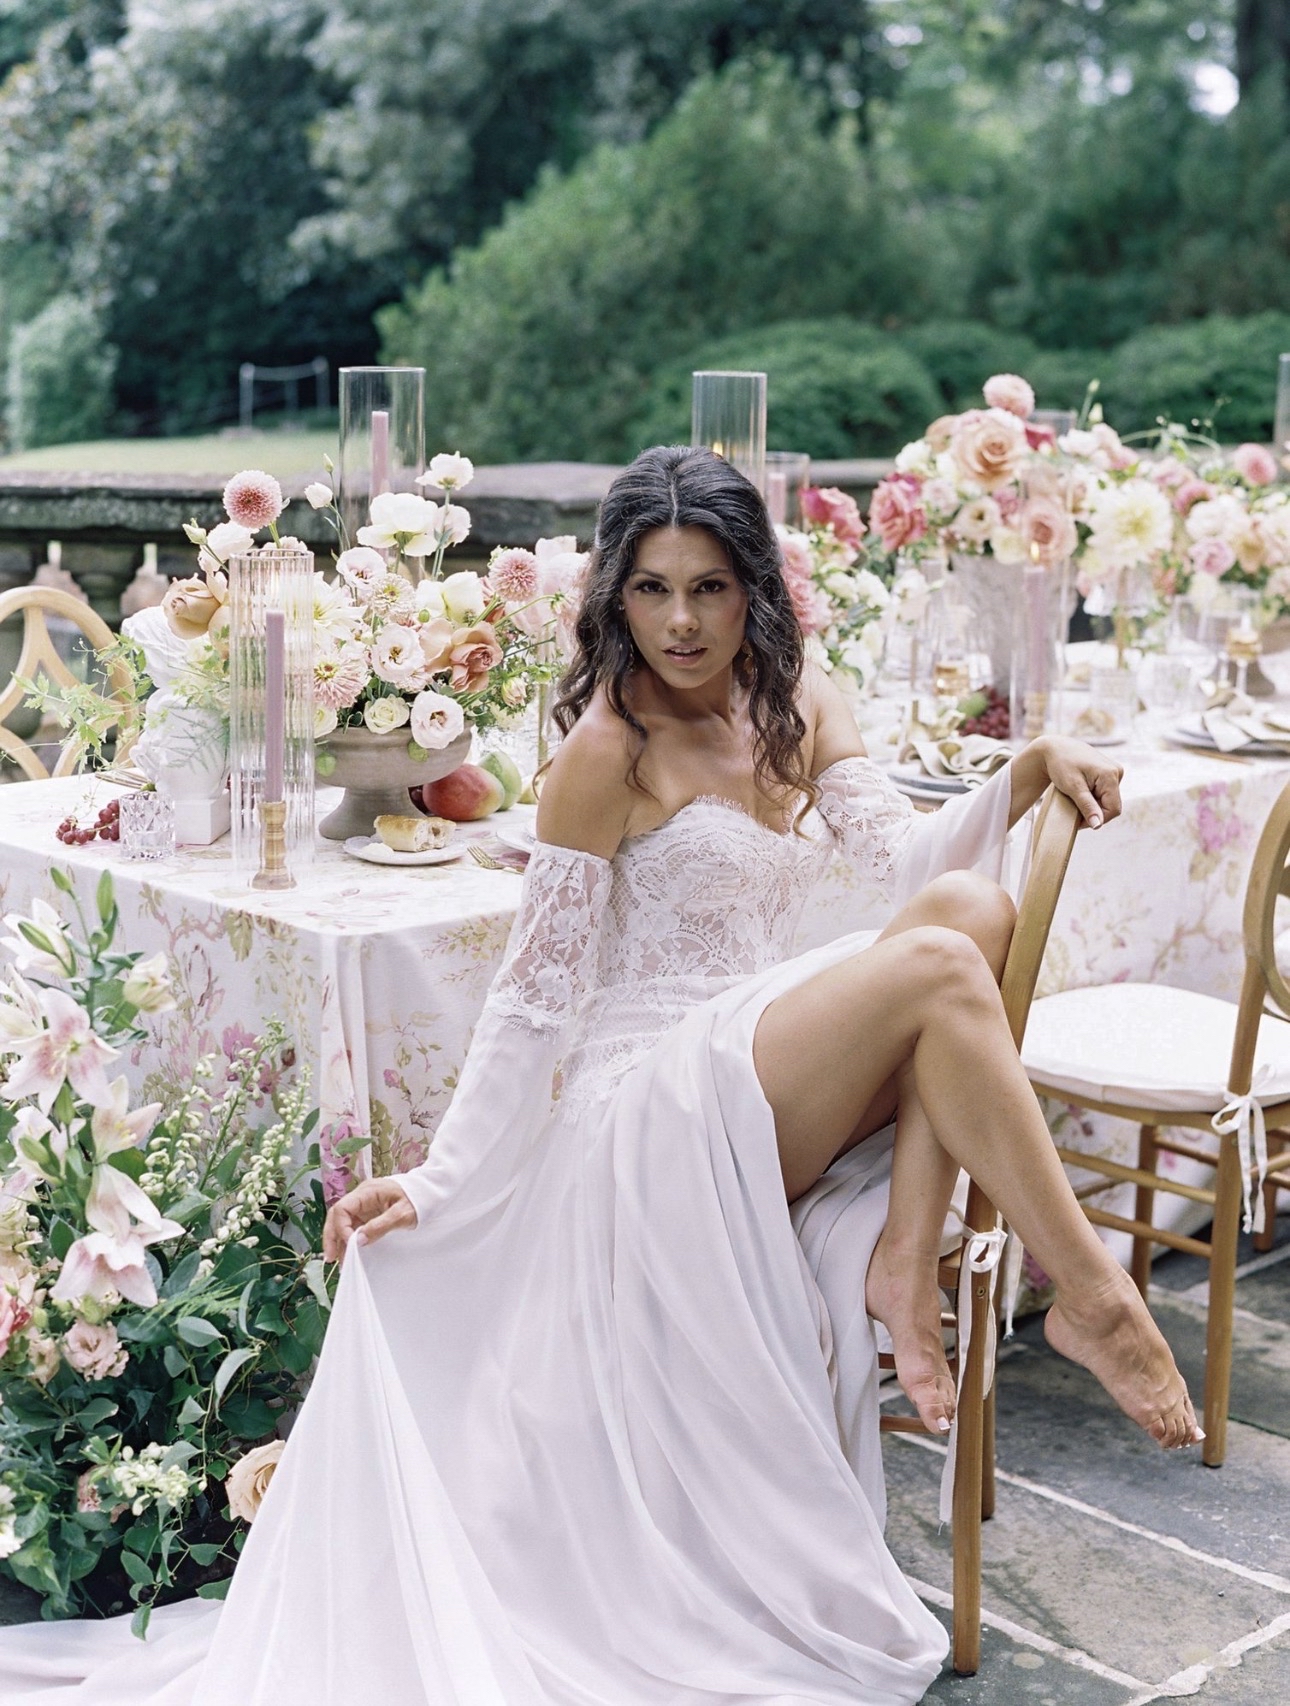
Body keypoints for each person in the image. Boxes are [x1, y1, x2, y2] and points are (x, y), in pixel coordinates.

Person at [0, 446, 1200, 1706]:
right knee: (948, 961)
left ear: (755, 593)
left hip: (756, 1060)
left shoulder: (801, 703)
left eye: (710, 587)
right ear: (616, 598)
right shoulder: (607, 750)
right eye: (652, 589)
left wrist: (1022, 767)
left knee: (967, 909)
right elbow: (533, 1000)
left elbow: (906, 866)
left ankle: (907, 1254)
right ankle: (1097, 1294)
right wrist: (443, 1179)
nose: (682, 622)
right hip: (653, 1099)